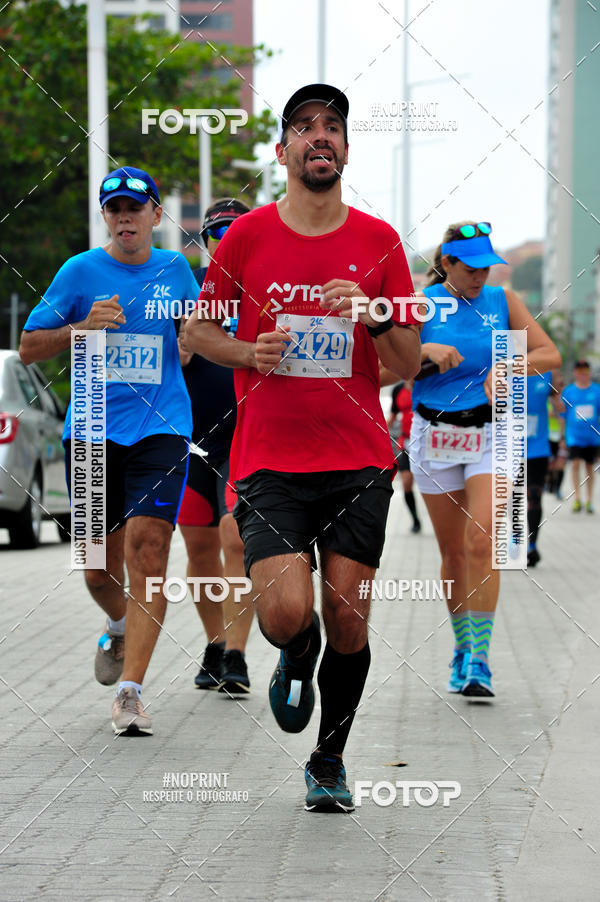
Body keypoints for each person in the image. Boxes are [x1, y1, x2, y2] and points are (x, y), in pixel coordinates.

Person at [185, 83, 421, 812]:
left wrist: (375, 312)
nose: (320, 137)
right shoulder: (248, 237)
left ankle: (328, 758)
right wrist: (249, 351)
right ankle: (297, 647)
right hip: (268, 461)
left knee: (351, 612)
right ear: (283, 149)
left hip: (355, 458)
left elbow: (408, 362)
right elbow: (197, 335)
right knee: (286, 613)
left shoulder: (380, 241)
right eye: (305, 127)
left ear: (346, 149)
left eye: (333, 127)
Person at [19, 167, 199, 736]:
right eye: (115, 208)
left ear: (154, 216)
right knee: (97, 567)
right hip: (93, 428)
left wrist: (192, 339)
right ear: (106, 217)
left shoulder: (176, 270)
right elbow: (27, 347)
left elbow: (193, 343)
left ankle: (130, 692)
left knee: (149, 551)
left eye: (136, 207)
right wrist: (80, 329)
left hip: (162, 427)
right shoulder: (79, 271)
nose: (126, 217)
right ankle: (119, 622)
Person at [408, 221, 561, 699]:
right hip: (433, 435)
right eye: (470, 267)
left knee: (482, 542)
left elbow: (549, 353)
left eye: (487, 267)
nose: (481, 276)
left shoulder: (503, 301)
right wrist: (424, 352)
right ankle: (460, 646)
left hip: (492, 434)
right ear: (447, 263)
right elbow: (389, 369)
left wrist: (508, 364)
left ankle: (480, 659)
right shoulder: (420, 303)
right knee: (452, 553)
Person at [177, 198, 253, 695]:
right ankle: (214, 642)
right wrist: (178, 352)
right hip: (190, 440)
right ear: (203, 242)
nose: (222, 242)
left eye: (233, 232)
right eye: (214, 234)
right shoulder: (187, 293)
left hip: (245, 436)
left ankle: (238, 656)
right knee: (200, 546)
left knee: (235, 538)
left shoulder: (265, 290)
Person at [526, 372, 563, 566]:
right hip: (507, 448)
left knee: (534, 496)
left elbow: (561, 406)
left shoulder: (546, 375)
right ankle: (512, 542)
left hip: (538, 449)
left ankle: (532, 545)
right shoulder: (502, 368)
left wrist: (558, 399)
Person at [381, 373, 421, 532]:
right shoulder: (398, 389)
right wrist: (379, 432)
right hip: (406, 441)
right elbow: (393, 416)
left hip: (425, 442)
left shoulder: (424, 385)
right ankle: (415, 519)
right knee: (406, 482)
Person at [561, 360, 600, 513]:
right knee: (575, 464)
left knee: (590, 467)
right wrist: (563, 438)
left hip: (592, 437)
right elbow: (563, 415)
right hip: (574, 436)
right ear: (575, 373)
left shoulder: (597, 391)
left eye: (586, 372)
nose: (583, 375)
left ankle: (589, 500)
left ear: (589, 373)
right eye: (580, 372)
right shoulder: (569, 392)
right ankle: (577, 498)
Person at [546, 371, 567, 498]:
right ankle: (549, 485)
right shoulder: (547, 398)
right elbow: (548, 414)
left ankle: (557, 488)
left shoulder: (566, 400)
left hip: (562, 437)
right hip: (548, 437)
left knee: (560, 465)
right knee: (550, 465)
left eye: (561, 385)